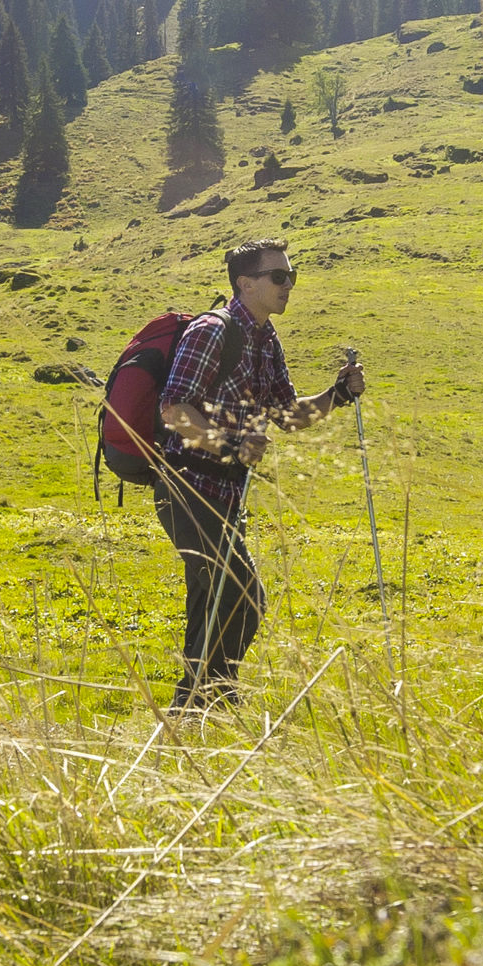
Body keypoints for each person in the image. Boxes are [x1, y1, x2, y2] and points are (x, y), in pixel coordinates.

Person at [150, 238, 364, 709]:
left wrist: (337, 395)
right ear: (246, 283)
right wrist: (232, 443)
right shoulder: (212, 331)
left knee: (212, 606)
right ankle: (216, 702)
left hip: (226, 494)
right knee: (243, 598)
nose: (289, 285)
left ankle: (193, 711)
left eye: (292, 276)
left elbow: (287, 416)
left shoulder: (266, 339)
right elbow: (174, 409)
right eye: (279, 277)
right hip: (187, 486)